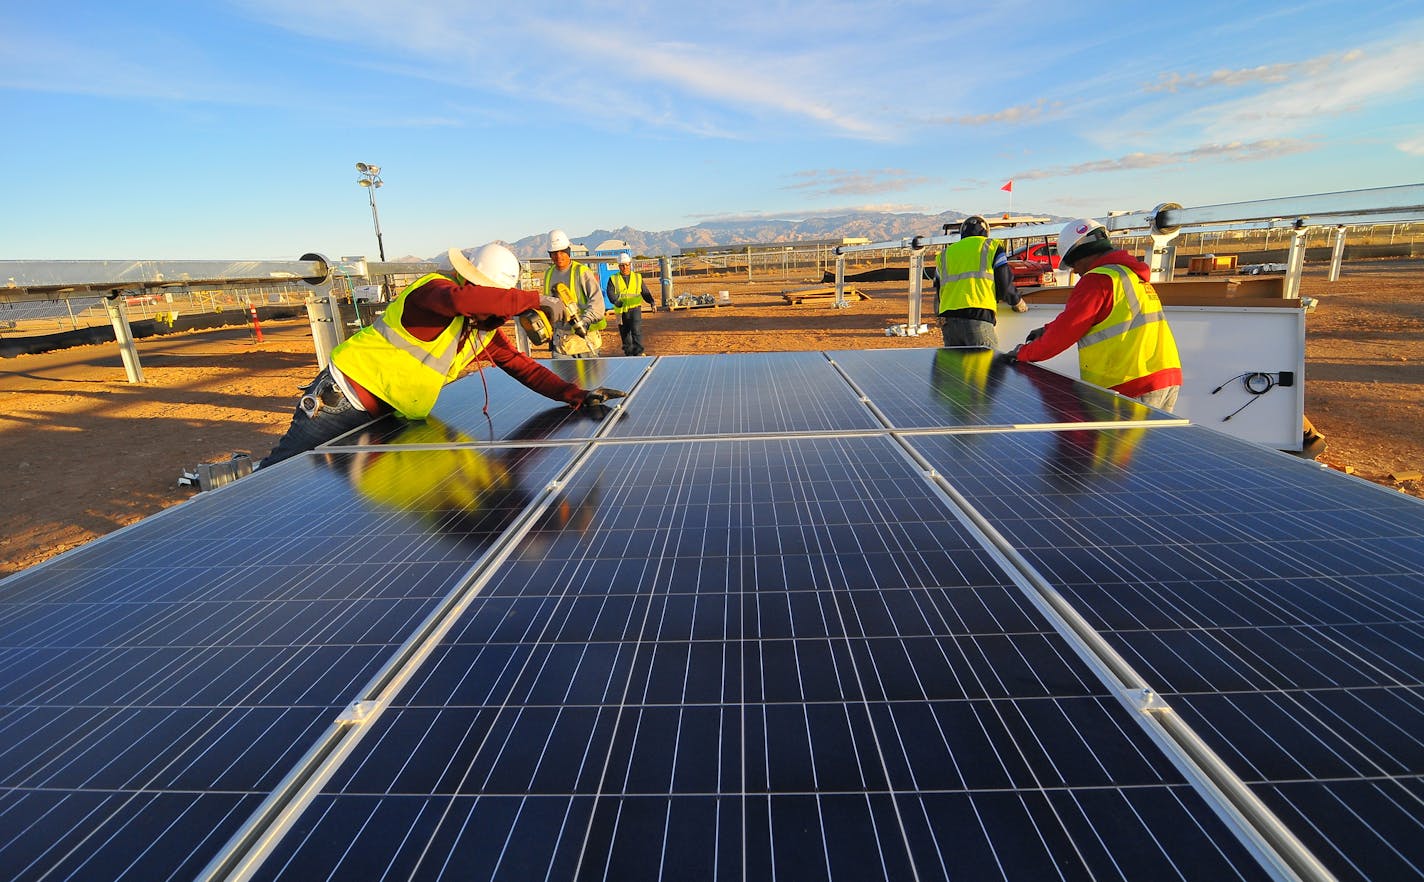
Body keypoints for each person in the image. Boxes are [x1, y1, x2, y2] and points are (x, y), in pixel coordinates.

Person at [257, 242, 623, 469]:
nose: (497, 310)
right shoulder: (433, 293)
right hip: (339, 402)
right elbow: (462, 302)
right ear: (470, 281)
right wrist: (538, 299)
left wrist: (574, 395)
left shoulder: (481, 331)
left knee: (314, 486)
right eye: (493, 295)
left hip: (383, 419)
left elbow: (522, 366)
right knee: (277, 477)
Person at [1008, 218, 1182, 412]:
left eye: (1074, 263)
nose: (1075, 270)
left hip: (1132, 383)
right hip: (1165, 377)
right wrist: (1046, 330)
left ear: (1084, 253)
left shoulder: (1098, 280)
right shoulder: (1128, 274)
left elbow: (1065, 333)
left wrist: (1023, 353)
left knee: (1113, 442)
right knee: (1157, 442)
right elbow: (1084, 318)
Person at [930, 214, 1027, 349]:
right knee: (986, 367)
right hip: (978, 316)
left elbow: (939, 291)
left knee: (954, 369)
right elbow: (1004, 282)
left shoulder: (945, 254)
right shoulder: (992, 247)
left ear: (962, 233)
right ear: (986, 232)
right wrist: (1016, 301)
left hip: (949, 322)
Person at [543, 228, 606, 358]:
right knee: (561, 378)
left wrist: (584, 322)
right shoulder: (549, 274)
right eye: (554, 252)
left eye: (562, 251)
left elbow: (598, 305)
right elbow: (548, 305)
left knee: (591, 378)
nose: (558, 256)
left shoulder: (581, 272)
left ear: (568, 251)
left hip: (585, 341)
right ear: (550, 254)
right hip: (562, 342)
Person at [606, 252, 654, 356]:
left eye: (627, 265)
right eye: (622, 265)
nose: (625, 267)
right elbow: (610, 292)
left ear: (630, 264)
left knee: (636, 331)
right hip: (621, 311)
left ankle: (639, 353)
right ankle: (628, 354)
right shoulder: (613, 278)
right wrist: (615, 301)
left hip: (635, 309)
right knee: (625, 334)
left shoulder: (637, 277)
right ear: (619, 266)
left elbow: (644, 291)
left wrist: (651, 302)